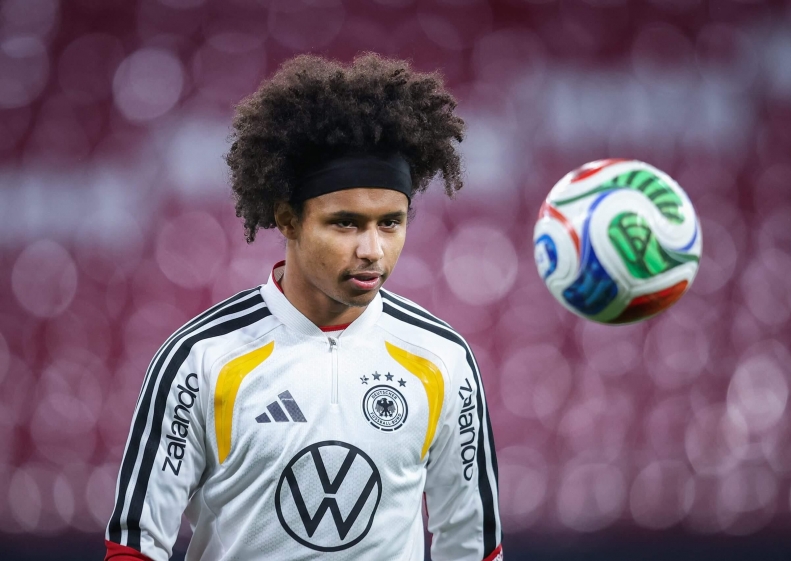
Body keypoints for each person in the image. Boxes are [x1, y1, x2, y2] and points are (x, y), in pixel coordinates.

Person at [104, 53, 502, 561]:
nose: (372, 250)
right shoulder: (199, 358)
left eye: (390, 223)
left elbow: (474, 547)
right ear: (288, 219)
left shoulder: (443, 358)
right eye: (345, 223)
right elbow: (134, 546)